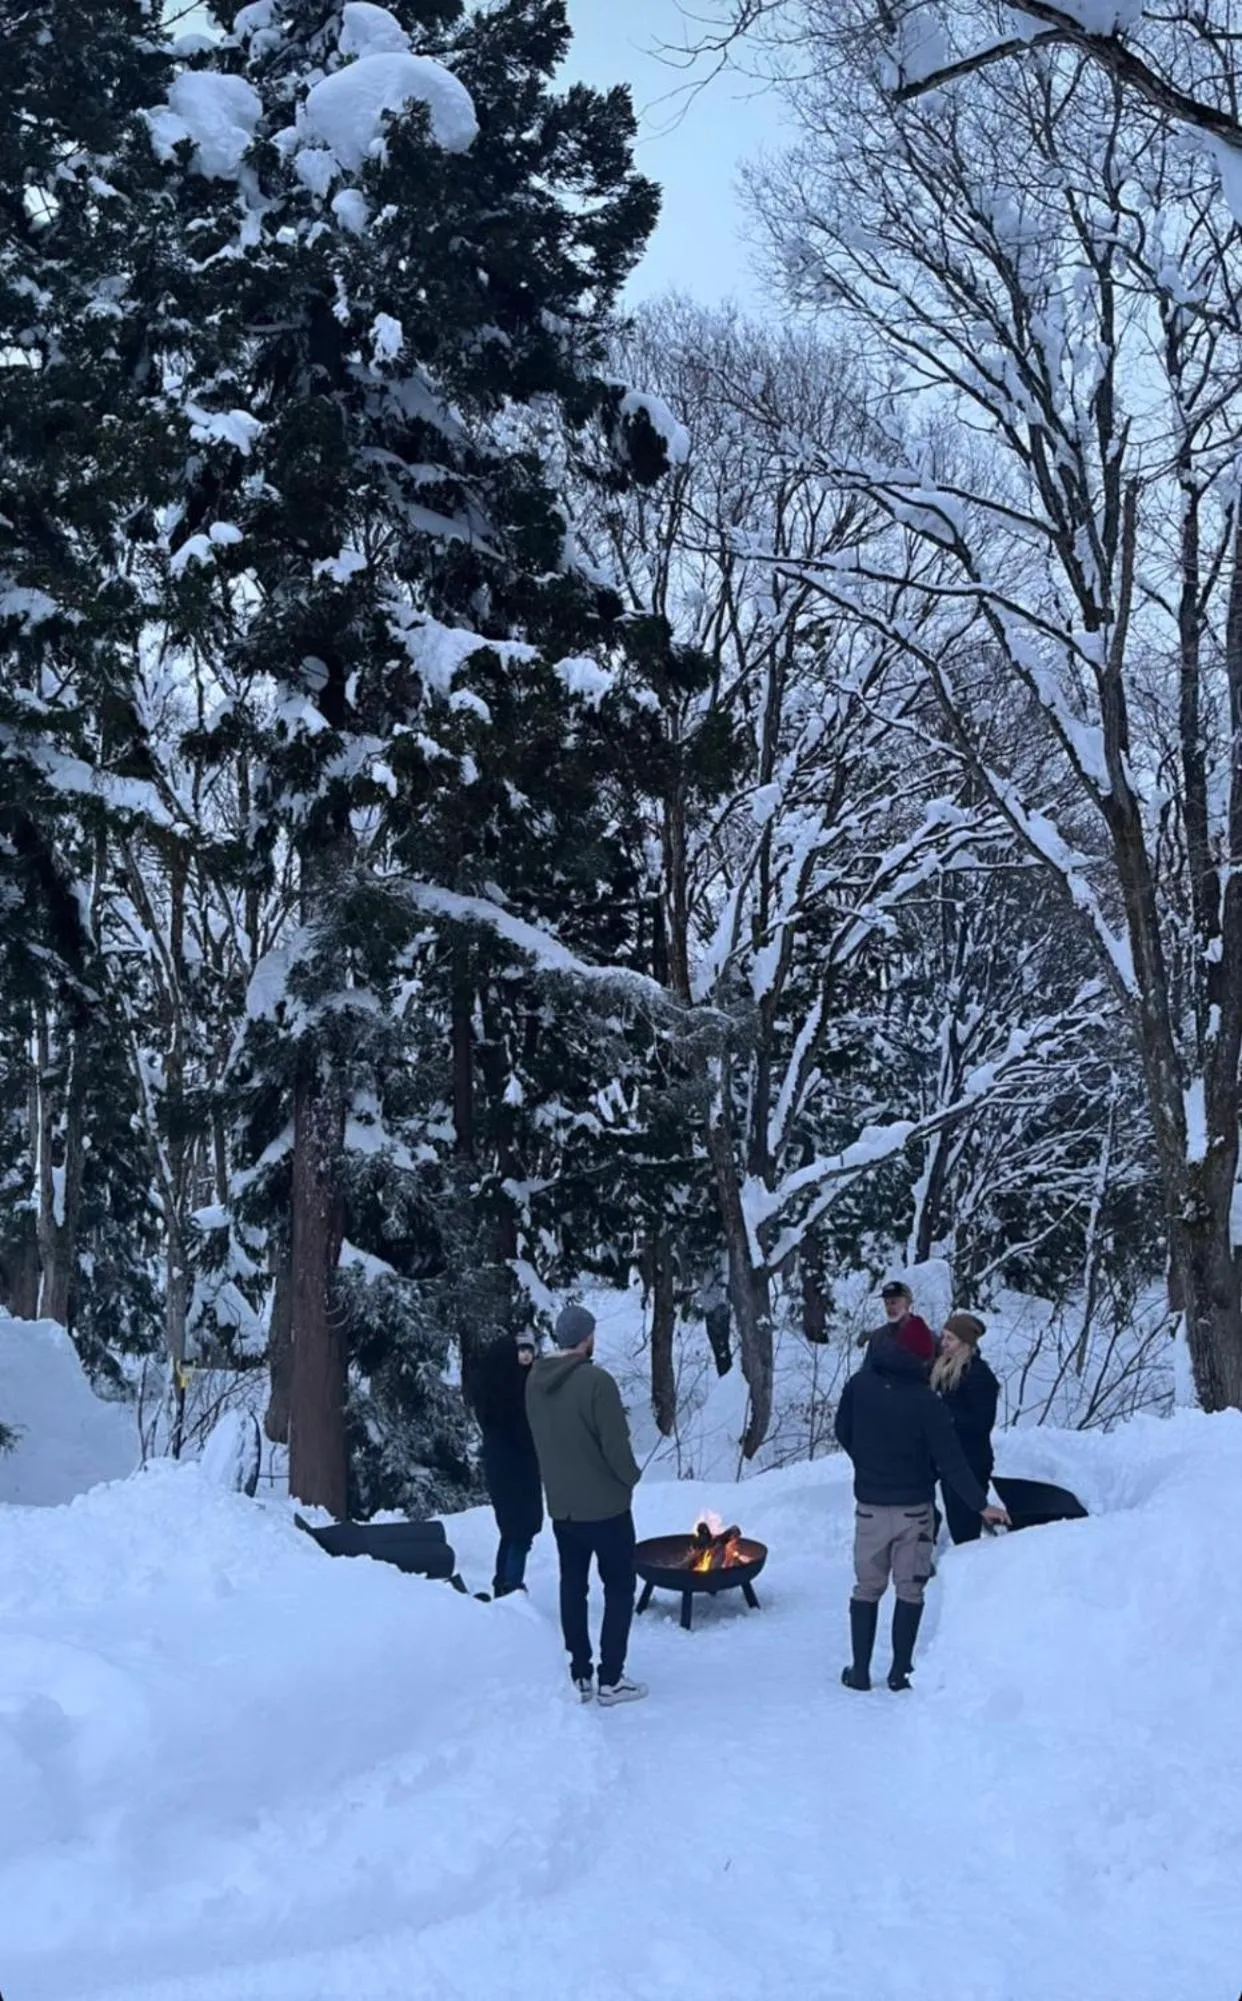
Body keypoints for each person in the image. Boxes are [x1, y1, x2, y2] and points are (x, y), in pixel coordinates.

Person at [834, 1333, 1009, 1692]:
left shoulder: (860, 1385)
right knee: (909, 1590)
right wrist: (982, 1506)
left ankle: (861, 1672)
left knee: (866, 1588)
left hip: (870, 1506)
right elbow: (952, 1463)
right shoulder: (926, 1401)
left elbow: (842, 1431)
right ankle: (900, 1672)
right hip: (915, 1510)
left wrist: (866, 1464)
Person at [525, 1303, 647, 1706]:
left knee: (572, 1586)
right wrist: (631, 1477)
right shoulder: (597, 1382)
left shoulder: (534, 1381)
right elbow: (615, 1445)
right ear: (586, 1338)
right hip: (607, 1507)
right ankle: (611, 1678)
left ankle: (580, 1671)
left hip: (563, 1507)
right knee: (618, 1587)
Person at [466, 1329, 543, 1599]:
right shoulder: (516, 1395)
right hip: (520, 1468)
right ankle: (511, 1586)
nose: (527, 1358)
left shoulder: (490, 1391)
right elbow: (527, 1432)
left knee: (510, 1532)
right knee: (521, 1533)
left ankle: (503, 1582)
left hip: (500, 1467)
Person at [932, 1312, 1000, 1547]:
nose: (943, 1344)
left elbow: (982, 1423)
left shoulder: (979, 1376)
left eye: (950, 1339)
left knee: (965, 1530)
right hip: (949, 1461)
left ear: (965, 1344)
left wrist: (946, 1413)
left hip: (971, 1461)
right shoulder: (945, 1370)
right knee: (956, 1518)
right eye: (944, 1337)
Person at [857, 1279, 936, 1367]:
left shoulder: (927, 1338)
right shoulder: (878, 1338)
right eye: (886, 1303)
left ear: (908, 1303)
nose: (889, 1307)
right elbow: (866, 1372)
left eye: (894, 1302)